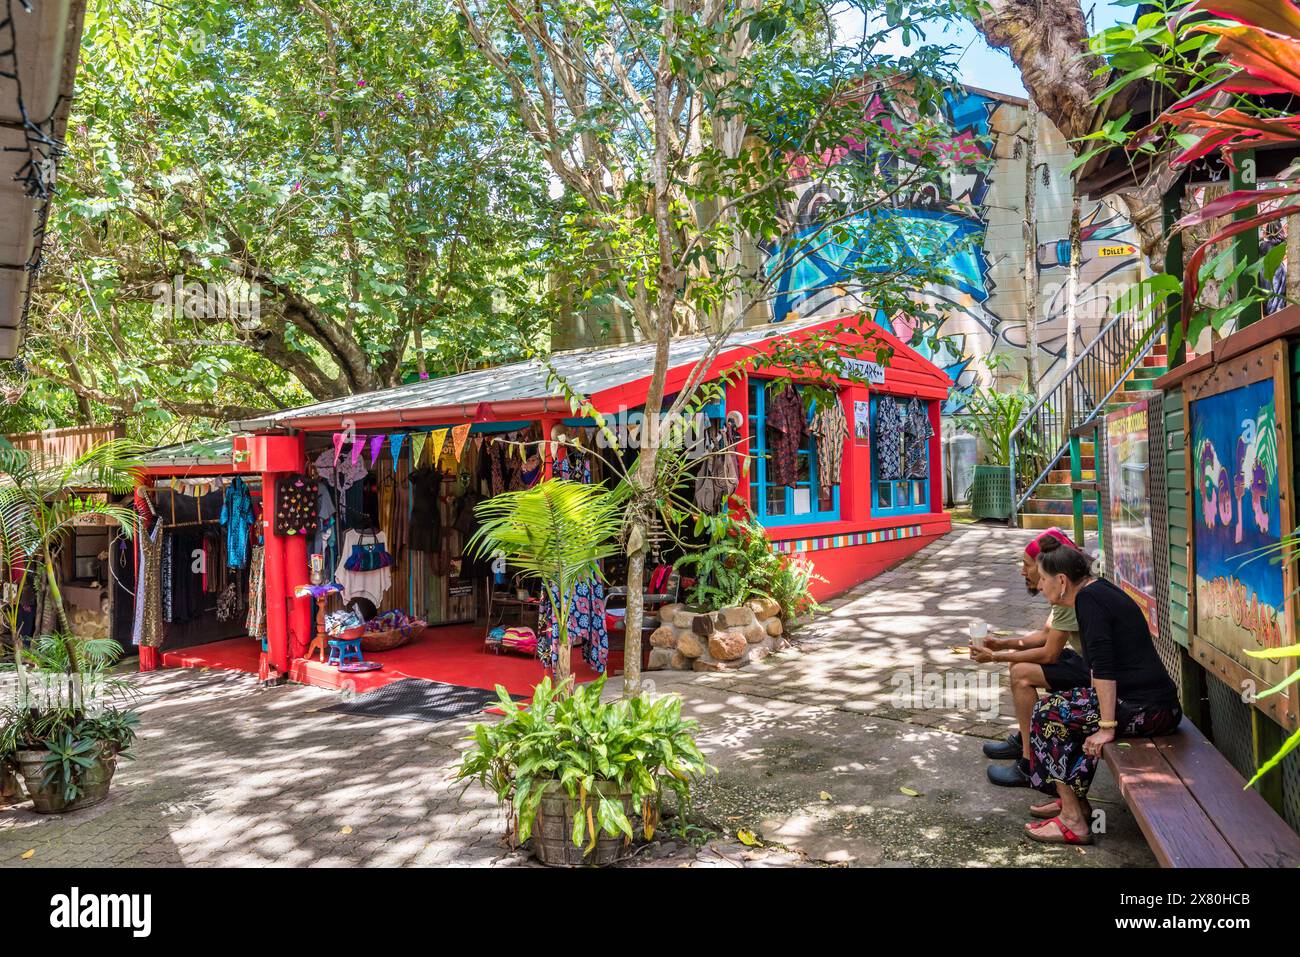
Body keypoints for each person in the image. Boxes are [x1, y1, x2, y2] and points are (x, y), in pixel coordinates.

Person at [1024, 537, 1181, 845]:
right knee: (1060, 708)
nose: (1040, 586)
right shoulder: (1095, 592)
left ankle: (1073, 821)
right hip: (1145, 702)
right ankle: (1075, 804)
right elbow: (1098, 671)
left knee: (1047, 715)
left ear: (1062, 580)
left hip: (1149, 709)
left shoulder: (1089, 602)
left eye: (1043, 579)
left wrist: (1106, 727)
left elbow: (1105, 670)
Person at [971, 528, 1091, 787]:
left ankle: (1030, 764)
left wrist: (995, 656)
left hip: (1096, 673)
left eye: (1027, 565)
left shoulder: (1067, 593)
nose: (1023, 571)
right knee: (1018, 662)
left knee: (1021, 672)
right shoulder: (1063, 585)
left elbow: (1049, 653)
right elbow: (1045, 634)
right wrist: (1001, 644)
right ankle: (1027, 740)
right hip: (1086, 662)